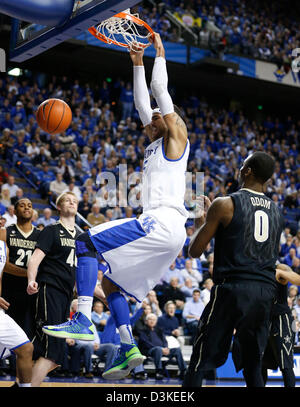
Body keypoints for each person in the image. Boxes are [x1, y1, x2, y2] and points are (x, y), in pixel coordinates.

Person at [42, 32, 189, 381]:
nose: (151, 116)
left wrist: (160, 56)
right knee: (112, 286)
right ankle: (128, 348)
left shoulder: (176, 138)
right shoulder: (154, 143)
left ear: (171, 120)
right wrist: (136, 62)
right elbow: (143, 104)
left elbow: (159, 94)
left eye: (158, 115)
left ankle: (81, 319)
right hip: (166, 232)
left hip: (162, 223)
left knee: (85, 240)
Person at [183, 152, 284, 387]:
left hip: (232, 288)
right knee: (253, 364)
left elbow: (195, 251)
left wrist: (201, 220)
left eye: (242, 165)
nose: (239, 169)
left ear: (248, 171)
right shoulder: (278, 212)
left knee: (200, 357)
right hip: (264, 292)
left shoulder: (225, 204)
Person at [26, 192, 81, 387]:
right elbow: (35, 258)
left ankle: (23, 383)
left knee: (55, 355)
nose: (72, 202)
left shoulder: (81, 236)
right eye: (67, 200)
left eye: (75, 200)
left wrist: (103, 295)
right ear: (59, 207)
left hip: (66, 295)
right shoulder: (51, 230)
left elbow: (84, 273)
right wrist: (31, 279)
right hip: (50, 289)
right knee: (53, 350)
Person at [0, 198, 40, 340]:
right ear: (15, 211)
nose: (26, 208)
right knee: (6, 333)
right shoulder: (5, 232)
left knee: (26, 335)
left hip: (30, 291)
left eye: (29, 205)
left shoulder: (40, 235)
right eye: (22, 206)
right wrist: (30, 273)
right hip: (8, 288)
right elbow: (3, 264)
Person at [0, 239, 33, 387]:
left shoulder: (2, 246)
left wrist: (30, 274)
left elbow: (5, 267)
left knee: (26, 348)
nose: (1, 220)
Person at [262, 263, 296, 387]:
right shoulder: (257, 269)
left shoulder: (279, 268)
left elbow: (296, 279)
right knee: (261, 364)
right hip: (265, 321)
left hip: (281, 320)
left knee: (285, 364)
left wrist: (281, 273)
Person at [138, 313, 187, 380]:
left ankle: (183, 371)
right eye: (150, 319)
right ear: (146, 321)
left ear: (156, 321)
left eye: (154, 320)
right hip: (150, 351)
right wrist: (161, 349)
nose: (152, 321)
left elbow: (164, 341)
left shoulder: (159, 330)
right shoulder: (143, 331)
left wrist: (166, 348)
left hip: (163, 350)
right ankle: (159, 372)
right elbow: (146, 343)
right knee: (158, 349)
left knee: (177, 350)